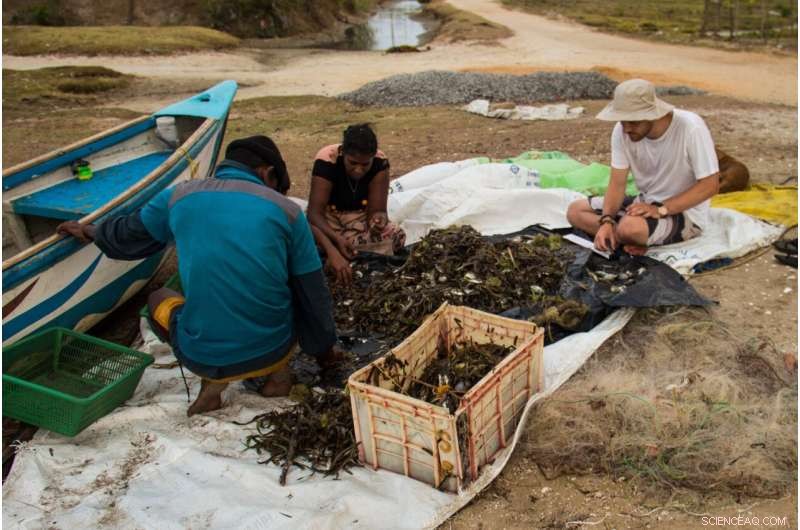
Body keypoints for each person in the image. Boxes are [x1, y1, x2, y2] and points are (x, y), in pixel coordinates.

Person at [57, 136, 339, 416]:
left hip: (202, 354)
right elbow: (313, 294)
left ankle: (212, 387)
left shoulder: (178, 196)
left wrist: (91, 231)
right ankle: (278, 376)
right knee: (286, 289)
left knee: (158, 298)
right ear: (268, 174)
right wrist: (325, 353)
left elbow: (128, 235)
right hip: (272, 347)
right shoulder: (288, 211)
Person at [567, 79, 721, 255]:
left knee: (630, 227)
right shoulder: (622, 130)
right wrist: (607, 221)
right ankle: (624, 236)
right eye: (622, 121)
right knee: (575, 210)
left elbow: (710, 185)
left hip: (685, 212)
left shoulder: (690, 127)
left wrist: (660, 210)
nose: (626, 129)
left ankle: (628, 235)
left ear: (653, 115)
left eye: (633, 122)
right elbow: (617, 183)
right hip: (645, 203)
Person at [306, 123, 406, 285]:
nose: (359, 170)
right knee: (311, 232)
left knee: (395, 235)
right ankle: (338, 250)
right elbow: (314, 214)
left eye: (365, 164)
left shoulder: (380, 162)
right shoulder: (327, 159)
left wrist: (377, 220)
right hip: (327, 218)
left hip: (358, 217)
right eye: (352, 163)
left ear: (373, 157)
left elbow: (378, 210)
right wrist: (336, 240)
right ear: (343, 153)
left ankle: (344, 250)